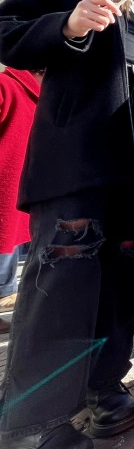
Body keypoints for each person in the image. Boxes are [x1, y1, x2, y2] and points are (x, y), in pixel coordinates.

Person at [0, 0, 134, 449]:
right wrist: (70, 24)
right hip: (78, 160)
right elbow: (6, 32)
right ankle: (32, 422)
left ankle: (104, 385)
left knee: (122, 280)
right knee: (64, 280)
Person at [0, 67, 43, 322]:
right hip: (8, 183)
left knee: (10, 243)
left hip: (21, 186)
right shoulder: (7, 86)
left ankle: (7, 293)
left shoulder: (38, 94)